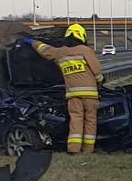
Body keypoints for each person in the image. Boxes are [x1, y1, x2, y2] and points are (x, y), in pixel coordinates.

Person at [29, 23, 102, 153]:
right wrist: (100, 81)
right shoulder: (85, 50)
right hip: (90, 94)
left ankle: (73, 149)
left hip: (73, 95)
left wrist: (32, 42)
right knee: (90, 121)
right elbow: (97, 71)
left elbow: (45, 50)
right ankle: (87, 150)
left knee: (76, 121)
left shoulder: (60, 52)